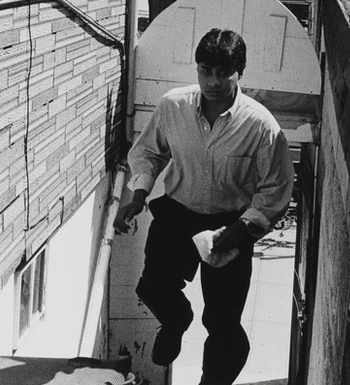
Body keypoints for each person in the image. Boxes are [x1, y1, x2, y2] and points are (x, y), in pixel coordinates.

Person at [114, 28, 295, 385]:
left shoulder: (261, 125)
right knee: (151, 288)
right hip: (178, 214)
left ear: (239, 71)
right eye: (204, 70)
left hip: (231, 224)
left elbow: (276, 187)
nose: (212, 81)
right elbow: (149, 152)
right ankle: (176, 320)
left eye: (222, 73)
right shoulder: (173, 105)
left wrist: (243, 228)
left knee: (223, 323)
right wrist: (138, 194)